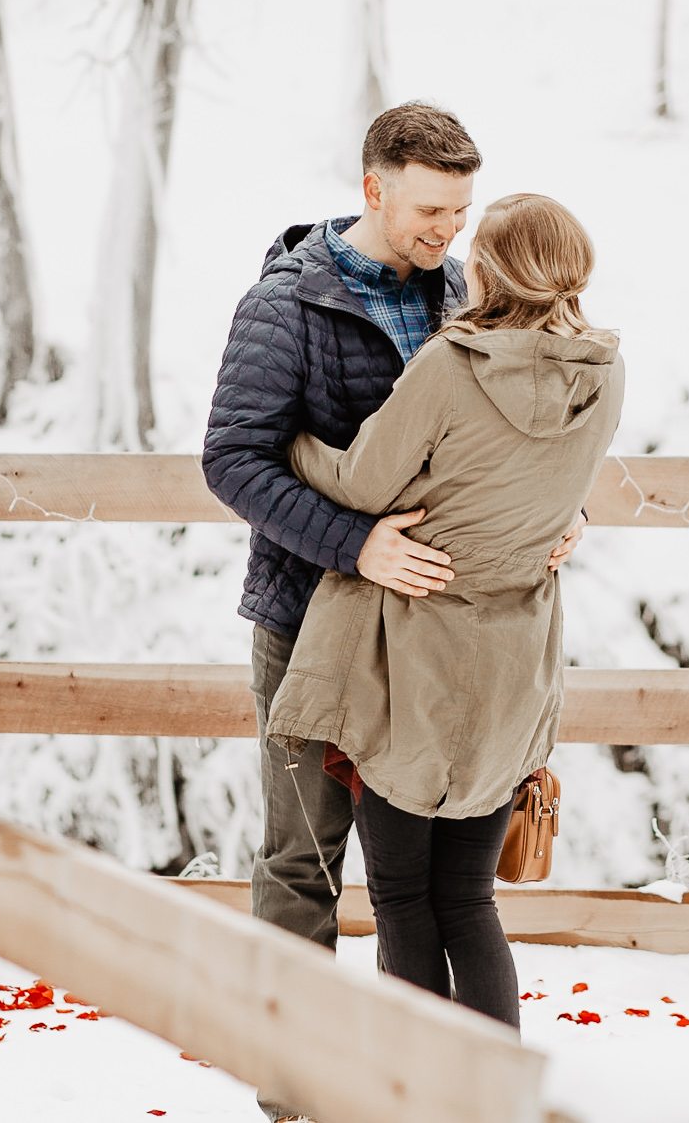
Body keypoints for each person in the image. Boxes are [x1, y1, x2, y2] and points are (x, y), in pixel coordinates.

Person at [203, 105, 590, 966]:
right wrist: (355, 544)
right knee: (303, 858)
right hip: (310, 625)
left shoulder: (464, 291)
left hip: (432, 642)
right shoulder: (285, 305)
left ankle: (402, 1081)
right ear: (375, 191)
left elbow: (521, 442)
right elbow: (233, 460)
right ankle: (297, 1091)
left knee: (411, 884)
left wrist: (565, 517)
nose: (449, 231)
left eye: (460, 212)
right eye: (430, 213)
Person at [264, 194, 624, 1031]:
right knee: (468, 898)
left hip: (415, 653)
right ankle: (492, 1100)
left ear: (494, 269)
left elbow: (362, 484)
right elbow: (556, 492)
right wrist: (568, 522)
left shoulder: (452, 365)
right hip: (515, 661)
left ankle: (418, 1097)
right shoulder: (604, 375)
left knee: (401, 894)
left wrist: (293, 443)